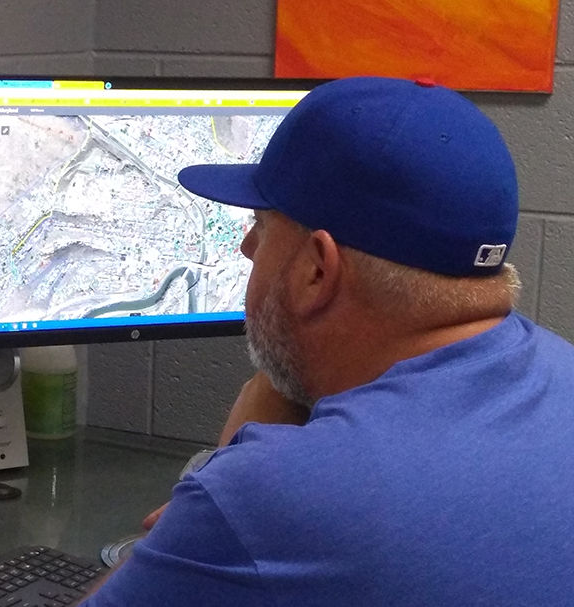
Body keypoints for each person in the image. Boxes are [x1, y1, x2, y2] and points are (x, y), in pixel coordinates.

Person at [80, 76, 574, 606]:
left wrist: (208, 491)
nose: (247, 247)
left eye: (261, 227)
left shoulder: (274, 495)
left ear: (317, 270)